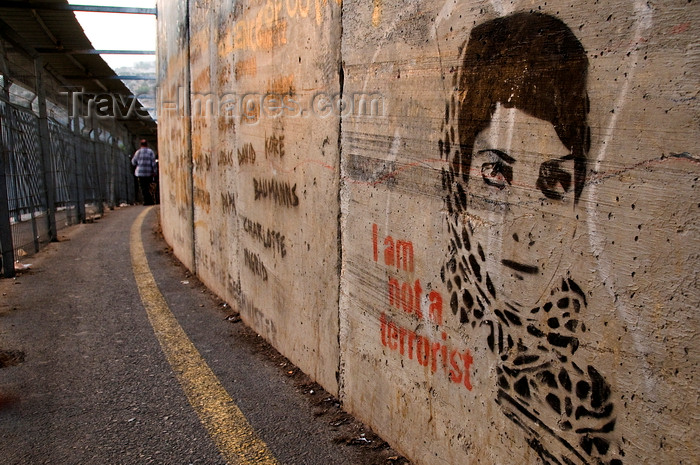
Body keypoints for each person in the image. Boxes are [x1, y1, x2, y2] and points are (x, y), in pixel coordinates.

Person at [439, 12, 623, 465]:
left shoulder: (589, 404)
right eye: (497, 172)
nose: (523, 226)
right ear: (462, 179)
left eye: (555, 183)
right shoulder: (449, 311)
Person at [132, 139, 157, 205]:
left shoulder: (138, 152)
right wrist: (154, 171)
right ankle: (149, 200)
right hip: (149, 173)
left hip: (140, 172)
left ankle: (147, 201)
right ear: (147, 144)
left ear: (141, 145)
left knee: (143, 187)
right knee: (148, 187)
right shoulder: (150, 152)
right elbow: (153, 163)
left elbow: (133, 162)